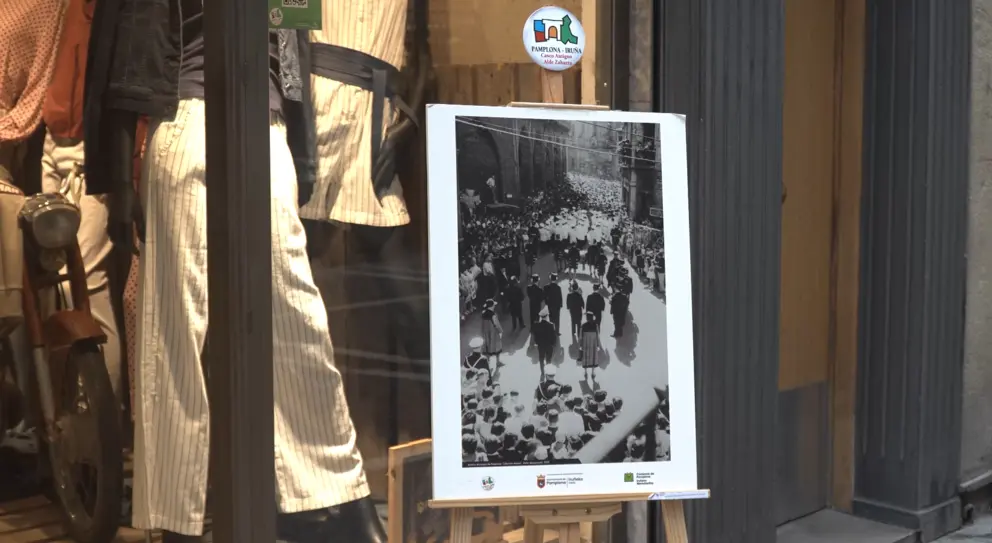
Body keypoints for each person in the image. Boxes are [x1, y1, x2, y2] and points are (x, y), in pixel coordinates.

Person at [532, 308, 557, 376]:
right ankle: (548, 371)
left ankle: (542, 372)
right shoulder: (551, 325)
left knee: (541, 358)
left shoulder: (537, 325)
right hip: (549, 345)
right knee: (548, 359)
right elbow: (554, 336)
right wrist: (553, 344)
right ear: (546, 316)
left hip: (541, 345)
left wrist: (537, 342)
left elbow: (535, 336)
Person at [480, 299, 503, 365]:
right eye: (494, 305)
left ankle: (487, 361)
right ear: (492, 306)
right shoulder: (493, 314)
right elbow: (496, 324)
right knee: (497, 347)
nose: (494, 306)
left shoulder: (483, 313)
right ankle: (498, 362)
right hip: (493, 333)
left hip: (486, 333)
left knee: (487, 347)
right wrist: (500, 331)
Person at [579, 311, 600, 379]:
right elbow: (597, 335)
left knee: (585, 356)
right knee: (593, 357)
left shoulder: (583, 325)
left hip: (586, 342)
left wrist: (580, 345)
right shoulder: (595, 325)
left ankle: (585, 372)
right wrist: (598, 344)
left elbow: (580, 336)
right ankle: (593, 372)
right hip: (593, 342)